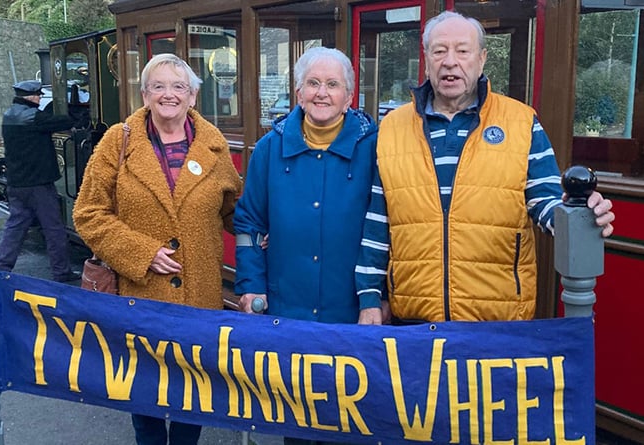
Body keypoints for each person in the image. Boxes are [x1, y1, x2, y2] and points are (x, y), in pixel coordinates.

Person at [355, 10, 615, 323]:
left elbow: (546, 203)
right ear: (426, 58)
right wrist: (370, 297)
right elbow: (377, 224)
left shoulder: (520, 122)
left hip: (498, 323)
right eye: (439, 50)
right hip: (414, 321)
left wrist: (578, 211)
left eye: (462, 50)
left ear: (481, 59)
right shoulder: (393, 127)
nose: (450, 61)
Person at [72, 53, 241, 445]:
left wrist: (272, 229)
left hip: (199, 298)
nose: (169, 94)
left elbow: (236, 210)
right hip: (138, 298)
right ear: (145, 95)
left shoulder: (212, 149)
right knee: (144, 401)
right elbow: (88, 212)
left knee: (192, 399)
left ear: (193, 96)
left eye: (179, 86)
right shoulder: (119, 141)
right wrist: (140, 252)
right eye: (159, 86)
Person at [234, 46, 380, 443]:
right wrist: (250, 287)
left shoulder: (375, 148)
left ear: (349, 95)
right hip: (287, 309)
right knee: (296, 424)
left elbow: (390, 227)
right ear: (298, 92)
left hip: (349, 311)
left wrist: (381, 297)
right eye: (313, 83)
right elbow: (248, 223)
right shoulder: (269, 148)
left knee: (348, 425)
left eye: (333, 84)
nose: (322, 93)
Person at [0, 80, 80, 283]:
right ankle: (62, 271)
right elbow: (62, 122)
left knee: (15, 227)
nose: (40, 98)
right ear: (30, 96)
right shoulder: (34, 117)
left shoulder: (8, 116)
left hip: (16, 183)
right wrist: (77, 113)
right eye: (38, 95)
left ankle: (1, 268)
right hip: (38, 185)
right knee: (54, 228)